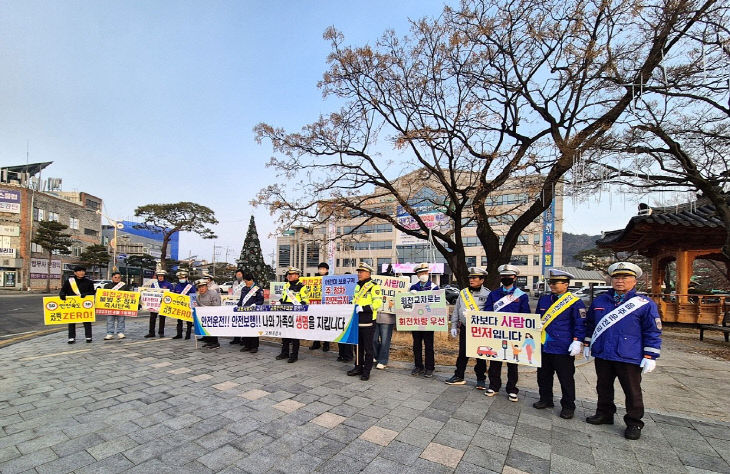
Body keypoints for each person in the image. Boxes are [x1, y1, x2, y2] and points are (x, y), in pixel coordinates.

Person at [584, 262, 661, 440]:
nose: (620, 281)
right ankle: (604, 413)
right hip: (603, 352)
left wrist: (651, 355)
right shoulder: (601, 300)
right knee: (603, 386)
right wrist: (587, 344)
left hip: (629, 355)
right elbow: (590, 325)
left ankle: (634, 422)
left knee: (632, 390)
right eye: (616, 277)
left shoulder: (644, 304)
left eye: (625, 277)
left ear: (634, 281)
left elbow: (652, 331)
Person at [533, 269, 586, 419]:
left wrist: (577, 341)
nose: (552, 285)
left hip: (563, 347)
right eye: (551, 282)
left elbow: (580, 324)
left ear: (566, 284)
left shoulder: (575, 302)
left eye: (556, 283)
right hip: (544, 345)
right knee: (543, 376)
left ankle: (568, 406)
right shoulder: (544, 299)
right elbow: (538, 317)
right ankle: (545, 399)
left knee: (566, 378)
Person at [483, 264, 530, 402]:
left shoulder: (522, 296)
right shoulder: (494, 294)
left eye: (508, 276)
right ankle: (494, 386)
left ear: (514, 278)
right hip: (497, 333)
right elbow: (487, 310)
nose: (506, 278)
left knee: (512, 363)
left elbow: (525, 314)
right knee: (495, 361)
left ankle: (512, 389)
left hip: (513, 335)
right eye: (503, 276)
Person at [445, 267, 491, 388]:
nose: (471, 280)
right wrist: (453, 325)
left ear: (482, 280)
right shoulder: (463, 292)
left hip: (480, 330)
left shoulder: (488, 294)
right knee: (463, 353)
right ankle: (459, 375)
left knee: (480, 355)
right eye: (470, 278)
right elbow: (456, 310)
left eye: (474, 278)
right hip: (465, 328)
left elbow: (490, 313)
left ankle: (481, 379)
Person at [347, 262, 383, 381]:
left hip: (368, 321)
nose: (359, 274)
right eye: (358, 272)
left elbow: (378, 303)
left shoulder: (374, 286)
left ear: (368, 273)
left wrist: (364, 308)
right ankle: (358, 367)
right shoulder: (358, 286)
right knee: (357, 346)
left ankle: (366, 371)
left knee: (368, 348)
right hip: (356, 320)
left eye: (361, 272)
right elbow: (355, 301)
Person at [408, 263, 439, 377]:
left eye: (425, 273)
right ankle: (418, 366)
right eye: (421, 273)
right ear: (417, 275)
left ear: (428, 273)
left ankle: (430, 367)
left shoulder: (434, 287)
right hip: (416, 321)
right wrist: (410, 295)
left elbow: (437, 304)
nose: (423, 275)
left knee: (429, 345)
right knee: (416, 345)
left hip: (428, 321)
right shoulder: (412, 287)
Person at [276, 267, 310, 363]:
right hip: (285, 312)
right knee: (285, 334)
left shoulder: (302, 287)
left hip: (295, 313)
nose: (289, 276)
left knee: (295, 335)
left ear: (297, 275)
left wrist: (298, 307)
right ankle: (284, 352)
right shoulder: (286, 286)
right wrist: (279, 302)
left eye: (292, 274)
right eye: (288, 275)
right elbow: (283, 298)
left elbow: (305, 301)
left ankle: (294, 355)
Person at [59, 265, 96, 344]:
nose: (81, 273)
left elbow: (92, 292)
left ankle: (88, 336)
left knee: (87, 320)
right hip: (72, 304)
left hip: (85, 304)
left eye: (83, 271)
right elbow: (63, 290)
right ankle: (71, 337)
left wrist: (86, 294)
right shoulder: (69, 282)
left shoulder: (89, 282)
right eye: (79, 271)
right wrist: (62, 295)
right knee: (72, 321)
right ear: (75, 273)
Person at [238, 271, 265, 353]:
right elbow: (241, 300)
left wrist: (255, 304)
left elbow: (261, 301)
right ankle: (247, 345)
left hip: (254, 312)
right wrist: (237, 306)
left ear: (251, 280)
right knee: (245, 329)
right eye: (244, 281)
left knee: (253, 330)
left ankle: (254, 347)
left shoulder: (258, 289)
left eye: (246, 281)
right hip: (244, 312)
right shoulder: (244, 289)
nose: (245, 283)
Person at [144, 270, 173, 338]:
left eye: (162, 276)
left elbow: (171, 295)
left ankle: (161, 332)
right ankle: (151, 332)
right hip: (154, 304)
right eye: (159, 276)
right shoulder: (154, 284)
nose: (160, 277)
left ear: (164, 277)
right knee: (152, 318)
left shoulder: (169, 284)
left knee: (162, 318)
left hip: (163, 304)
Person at [195, 278, 222, 349]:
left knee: (213, 329)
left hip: (213, 315)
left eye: (203, 287)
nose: (201, 289)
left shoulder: (213, 293)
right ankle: (209, 342)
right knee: (206, 329)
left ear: (207, 286)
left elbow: (217, 305)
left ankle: (215, 343)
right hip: (205, 317)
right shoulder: (198, 297)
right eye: (199, 287)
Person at [309, 262, 331, 352]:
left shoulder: (330, 279)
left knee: (326, 324)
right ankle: (316, 342)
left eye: (323, 269)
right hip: (316, 305)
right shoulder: (314, 279)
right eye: (320, 268)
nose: (322, 270)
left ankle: (326, 343)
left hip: (326, 305)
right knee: (316, 324)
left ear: (327, 270)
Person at [103, 272, 130, 340]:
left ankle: (120, 332)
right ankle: (109, 333)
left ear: (120, 278)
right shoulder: (107, 286)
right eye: (115, 277)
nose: (117, 279)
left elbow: (129, 295)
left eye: (118, 277)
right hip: (110, 306)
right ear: (112, 278)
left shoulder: (124, 286)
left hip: (121, 306)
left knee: (121, 320)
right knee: (110, 320)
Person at [172, 270, 196, 340]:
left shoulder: (190, 286)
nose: (181, 279)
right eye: (180, 278)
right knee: (179, 321)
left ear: (186, 278)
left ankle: (187, 335)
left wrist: (193, 307)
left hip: (188, 306)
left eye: (183, 278)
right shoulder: (177, 286)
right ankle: (179, 334)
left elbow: (193, 296)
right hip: (179, 306)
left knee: (188, 322)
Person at [229, 269, 247, 346]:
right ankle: (236, 338)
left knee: (242, 322)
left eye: (239, 274)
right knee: (236, 321)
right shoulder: (235, 283)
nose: (238, 276)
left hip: (243, 303)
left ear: (242, 275)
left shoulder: (245, 282)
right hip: (235, 303)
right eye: (237, 274)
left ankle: (243, 339)